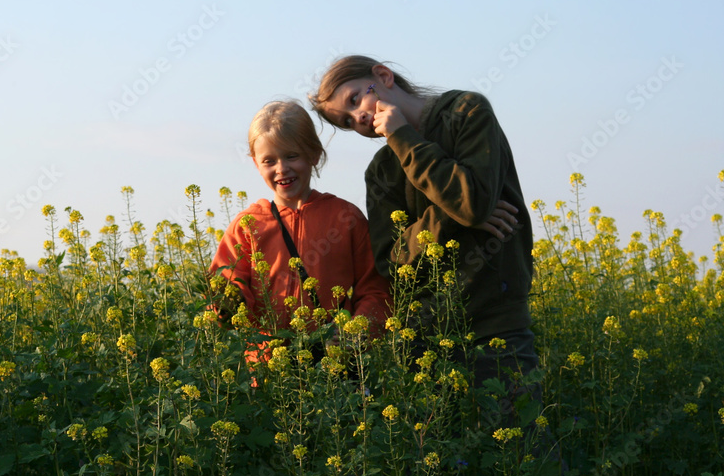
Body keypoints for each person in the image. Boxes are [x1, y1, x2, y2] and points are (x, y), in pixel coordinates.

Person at [307, 56, 538, 393]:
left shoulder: (466, 112)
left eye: (356, 99)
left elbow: (472, 202)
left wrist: (402, 136)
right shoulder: (382, 171)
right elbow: (392, 260)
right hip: (427, 335)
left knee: (519, 441)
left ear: (383, 76)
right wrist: (456, 214)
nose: (358, 117)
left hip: (497, 326)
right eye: (347, 120)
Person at [210, 100, 391, 366]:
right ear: (255, 163)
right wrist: (225, 304)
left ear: (314, 154)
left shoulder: (346, 218)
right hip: (269, 370)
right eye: (269, 161)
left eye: (292, 156)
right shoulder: (247, 225)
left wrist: (355, 331)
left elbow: (375, 290)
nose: (282, 168)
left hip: (334, 365)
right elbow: (226, 284)